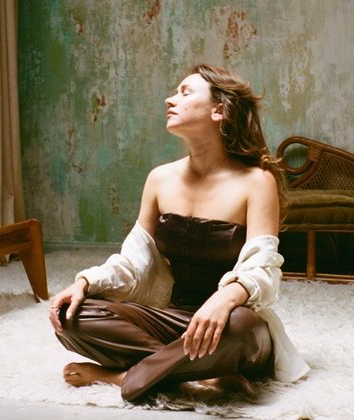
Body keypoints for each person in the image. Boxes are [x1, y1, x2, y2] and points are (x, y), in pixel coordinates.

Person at [49, 64, 310, 402]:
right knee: (71, 315)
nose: (170, 100)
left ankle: (123, 377)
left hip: (231, 322)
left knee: (243, 326)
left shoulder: (257, 182)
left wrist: (224, 300)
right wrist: (84, 283)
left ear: (219, 111)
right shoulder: (160, 178)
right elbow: (133, 262)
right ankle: (202, 372)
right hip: (173, 320)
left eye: (185, 92)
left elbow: (263, 268)